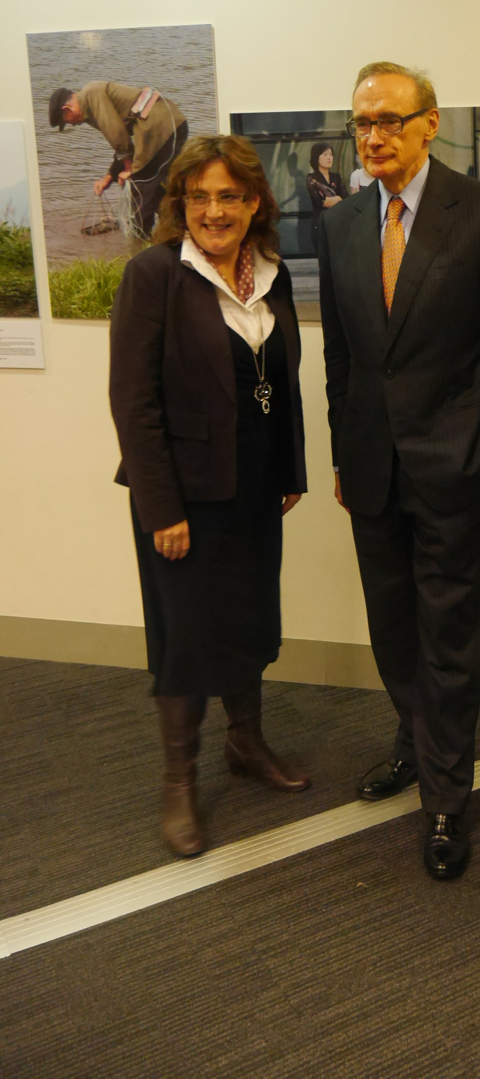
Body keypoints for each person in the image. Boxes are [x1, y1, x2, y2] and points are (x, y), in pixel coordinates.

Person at [318, 61, 480, 881]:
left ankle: (447, 795)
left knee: (449, 632)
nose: (372, 136)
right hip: (372, 469)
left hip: (451, 463)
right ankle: (414, 742)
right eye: (361, 123)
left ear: (429, 122)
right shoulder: (340, 227)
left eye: (388, 120)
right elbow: (341, 359)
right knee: (393, 624)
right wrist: (344, 452)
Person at [109, 134, 310, 859]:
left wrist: (291, 468)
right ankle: (178, 781)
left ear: (254, 202)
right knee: (187, 635)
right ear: (181, 204)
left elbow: (278, 380)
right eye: (200, 197)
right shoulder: (155, 276)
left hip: (255, 487)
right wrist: (160, 508)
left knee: (250, 619)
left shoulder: (273, 275)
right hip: (183, 498)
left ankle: (246, 745)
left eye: (230, 196)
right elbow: (134, 404)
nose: (214, 211)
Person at [49, 82, 187, 238]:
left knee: (140, 187)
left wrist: (129, 169)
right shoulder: (90, 103)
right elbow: (123, 143)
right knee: (156, 187)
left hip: (160, 128)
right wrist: (109, 177)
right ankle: (175, 232)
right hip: (171, 125)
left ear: (66, 110)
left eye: (67, 121)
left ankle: (140, 242)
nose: (73, 124)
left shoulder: (91, 95)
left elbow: (118, 136)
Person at [305, 142, 346, 255]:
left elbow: (345, 198)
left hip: (337, 223)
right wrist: (337, 198)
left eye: (331, 154)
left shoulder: (336, 177)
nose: (329, 158)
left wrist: (336, 199)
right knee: (324, 258)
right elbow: (320, 202)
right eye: (325, 154)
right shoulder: (312, 178)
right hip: (320, 223)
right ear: (316, 157)